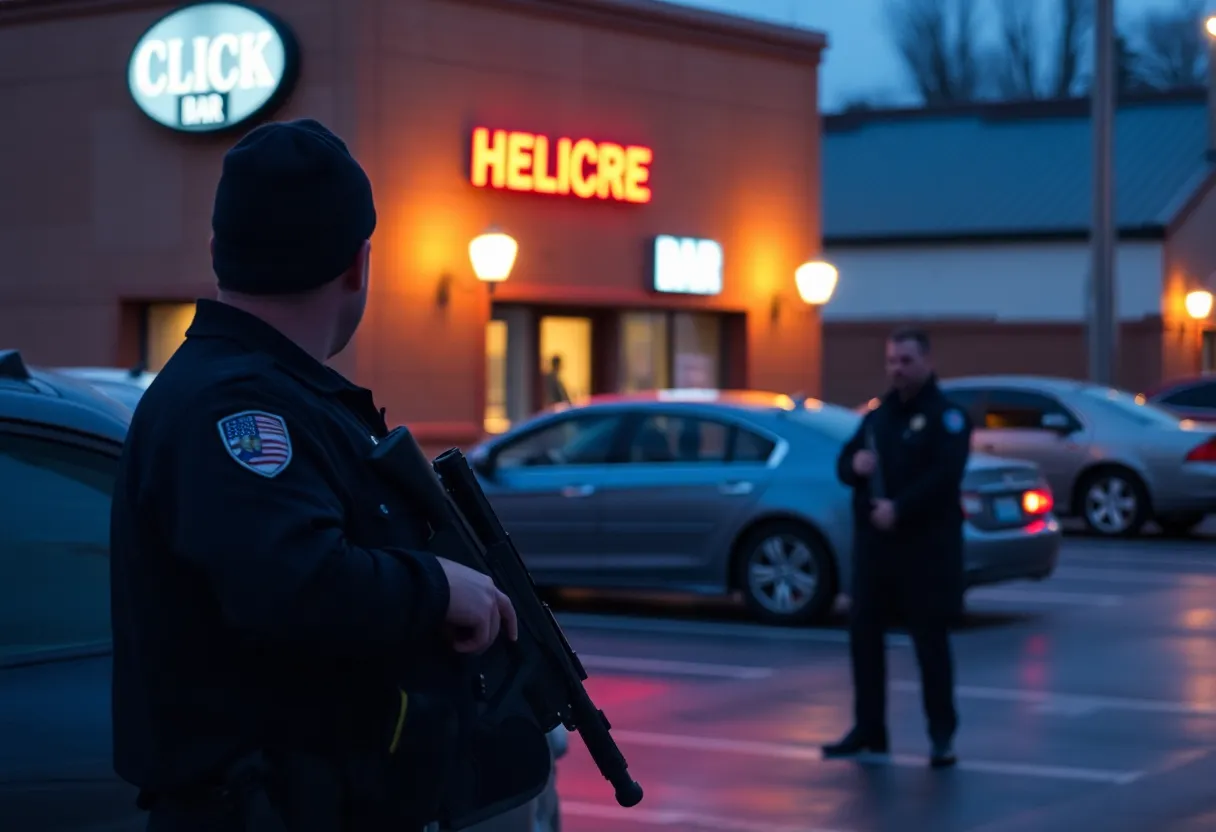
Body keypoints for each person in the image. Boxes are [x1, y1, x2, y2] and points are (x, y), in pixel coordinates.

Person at [109, 118, 518, 831]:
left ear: (217, 252)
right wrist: (439, 586)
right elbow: (293, 583)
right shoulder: (237, 405)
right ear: (359, 265)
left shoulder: (277, 396)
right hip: (264, 808)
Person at [822, 327, 972, 768]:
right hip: (877, 553)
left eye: (905, 361)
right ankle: (870, 729)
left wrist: (901, 508)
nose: (897, 370)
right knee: (864, 640)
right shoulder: (878, 416)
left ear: (926, 361)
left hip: (924, 553)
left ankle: (941, 736)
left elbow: (946, 476)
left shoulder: (948, 417)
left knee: (931, 648)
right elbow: (844, 464)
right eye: (891, 361)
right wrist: (855, 464)